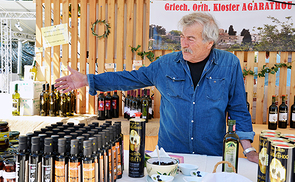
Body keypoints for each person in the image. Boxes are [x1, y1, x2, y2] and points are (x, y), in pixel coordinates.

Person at [55, 12, 258, 163]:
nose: (183, 43)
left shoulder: (229, 64)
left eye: (191, 39)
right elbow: (129, 78)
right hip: (170, 155)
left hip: (211, 155)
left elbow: (238, 109)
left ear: (209, 43)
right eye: (182, 37)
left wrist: (247, 149)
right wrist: (88, 80)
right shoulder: (165, 64)